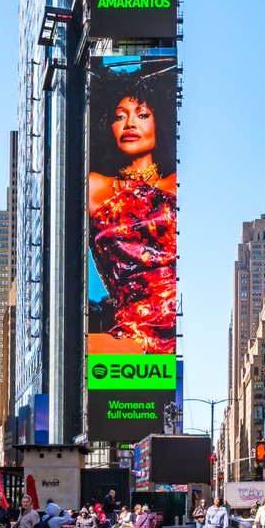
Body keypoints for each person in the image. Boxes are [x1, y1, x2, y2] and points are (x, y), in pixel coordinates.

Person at [87, 67, 179, 355]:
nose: (129, 123)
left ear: (158, 122)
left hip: (175, 330)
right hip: (127, 339)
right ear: (108, 126)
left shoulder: (176, 185)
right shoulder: (95, 187)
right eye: (119, 116)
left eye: (141, 114)